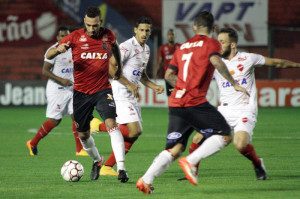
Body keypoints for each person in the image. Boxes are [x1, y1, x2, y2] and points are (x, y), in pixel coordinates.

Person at [136, 11, 248, 194]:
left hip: (176, 102)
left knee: (176, 148)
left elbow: (168, 75)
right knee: (225, 134)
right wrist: (234, 83)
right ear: (213, 28)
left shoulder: (183, 47)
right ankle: (191, 161)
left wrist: (181, 87)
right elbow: (216, 62)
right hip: (194, 101)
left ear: (194, 28)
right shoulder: (212, 43)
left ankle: (145, 180)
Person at [187, 27, 300, 181]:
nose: (218, 46)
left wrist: (297, 65)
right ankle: (192, 172)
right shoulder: (215, 62)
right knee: (197, 138)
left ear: (233, 45)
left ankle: (257, 163)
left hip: (245, 110)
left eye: (222, 42)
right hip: (224, 111)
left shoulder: (248, 58)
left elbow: (277, 63)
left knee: (240, 144)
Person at [45, 7, 130, 183]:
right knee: (83, 134)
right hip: (81, 93)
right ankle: (97, 161)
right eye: (89, 25)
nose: (92, 29)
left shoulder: (108, 35)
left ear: (100, 22)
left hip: (102, 89)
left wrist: (119, 68)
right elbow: (49, 54)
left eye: (95, 25)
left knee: (111, 123)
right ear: (84, 21)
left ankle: (121, 168)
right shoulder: (74, 37)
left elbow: (115, 49)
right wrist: (58, 49)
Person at [90, 16, 164, 176]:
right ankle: (97, 126)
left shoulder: (146, 49)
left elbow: (142, 75)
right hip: (120, 91)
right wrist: (129, 84)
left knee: (133, 135)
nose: (144, 33)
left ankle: (107, 167)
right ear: (135, 30)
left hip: (130, 94)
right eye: (142, 30)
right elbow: (111, 67)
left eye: (147, 31)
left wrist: (154, 86)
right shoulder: (127, 46)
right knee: (135, 130)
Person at [26, 26, 88, 157]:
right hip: (57, 89)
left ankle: (79, 150)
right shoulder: (53, 51)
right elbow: (45, 71)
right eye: (62, 36)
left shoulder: (75, 48)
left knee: (76, 116)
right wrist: (62, 80)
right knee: (55, 120)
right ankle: (33, 142)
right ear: (57, 38)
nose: (64, 39)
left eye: (67, 36)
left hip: (72, 88)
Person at [155, 29, 181, 96]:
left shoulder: (180, 47)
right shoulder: (163, 48)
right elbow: (160, 62)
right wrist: (156, 73)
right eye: (169, 34)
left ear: (175, 36)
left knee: (179, 95)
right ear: (167, 36)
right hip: (168, 76)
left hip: (177, 76)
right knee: (170, 96)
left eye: (172, 34)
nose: (171, 36)